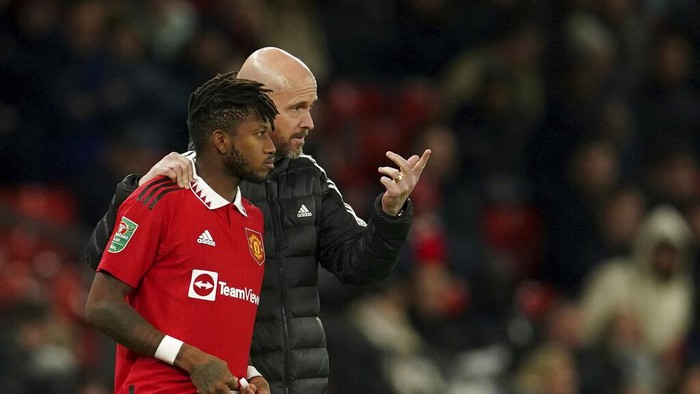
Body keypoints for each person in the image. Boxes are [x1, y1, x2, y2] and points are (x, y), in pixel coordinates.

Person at [85, 47, 431, 393]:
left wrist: (390, 213)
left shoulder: (304, 180)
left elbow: (361, 267)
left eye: (311, 107)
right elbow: (105, 269)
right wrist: (137, 189)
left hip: (284, 381)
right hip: (202, 381)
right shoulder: (183, 182)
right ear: (257, 106)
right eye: (297, 108)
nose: (310, 122)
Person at [84, 72, 278, 394]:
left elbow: (211, 321)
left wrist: (248, 373)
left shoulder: (253, 220)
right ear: (221, 141)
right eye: (259, 134)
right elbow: (101, 306)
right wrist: (190, 359)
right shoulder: (161, 198)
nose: (272, 147)